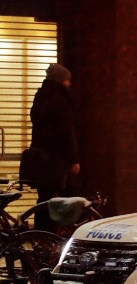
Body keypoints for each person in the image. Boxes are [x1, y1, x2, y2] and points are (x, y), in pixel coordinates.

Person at [28, 63, 80, 232]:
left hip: (40, 158)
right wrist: (74, 159)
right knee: (60, 197)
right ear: (61, 80)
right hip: (56, 160)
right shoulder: (60, 100)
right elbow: (66, 132)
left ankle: (41, 234)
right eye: (67, 80)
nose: (69, 83)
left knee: (44, 198)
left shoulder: (40, 96)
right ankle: (53, 234)